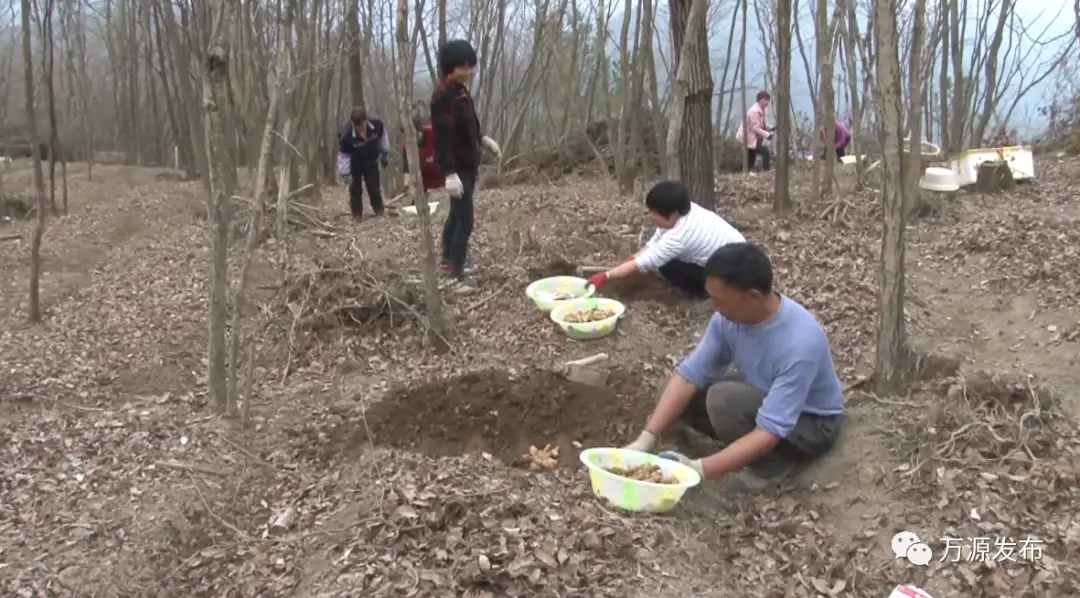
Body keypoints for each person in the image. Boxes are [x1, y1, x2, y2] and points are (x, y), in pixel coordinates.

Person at [621, 243, 845, 492]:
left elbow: (769, 430)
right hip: (766, 392)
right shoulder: (727, 320)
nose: (714, 309)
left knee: (723, 399)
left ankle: (771, 469)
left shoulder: (800, 344)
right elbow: (690, 376)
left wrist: (698, 470)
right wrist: (646, 438)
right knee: (673, 390)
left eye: (720, 301)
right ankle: (731, 449)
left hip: (812, 423)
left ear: (753, 296)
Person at [586, 180, 745, 299]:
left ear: (673, 213)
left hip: (732, 274)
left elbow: (644, 263)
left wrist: (605, 276)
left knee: (666, 265)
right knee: (662, 256)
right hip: (733, 254)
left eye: (655, 213)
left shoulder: (680, 236)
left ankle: (704, 292)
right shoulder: (686, 209)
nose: (652, 217)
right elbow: (653, 243)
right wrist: (631, 258)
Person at [431, 39, 502, 292]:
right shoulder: (443, 97)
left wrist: (482, 139)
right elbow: (442, 139)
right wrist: (449, 173)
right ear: (450, 68)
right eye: (464, 67)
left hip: (468, 164)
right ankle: (456, 277)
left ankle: (448, 261)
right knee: (465, 220)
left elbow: (469, 123)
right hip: (457, 169)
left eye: (472, 66)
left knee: (455, 215)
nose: (470, 71)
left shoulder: (461, 90)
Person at [337, 107, 391, 221]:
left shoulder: (376, 124)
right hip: (354, 165)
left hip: (371, 161)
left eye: (361, 125)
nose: (359, 128)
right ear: (352, 123)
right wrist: (345, 174)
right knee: (355, 191)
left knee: (374, 187)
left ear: (366, 120)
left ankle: (379, 211)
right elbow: (343, 156)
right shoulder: (346, 135)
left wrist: (385, 152)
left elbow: (382, 137)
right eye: (356, 126)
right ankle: (357, 215)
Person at [401, 117, 446, 193]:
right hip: (424, 185)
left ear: (419, 131)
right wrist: (406, 186)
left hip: (443, 183)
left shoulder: (433, 134)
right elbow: (406, 169)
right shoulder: (407, 147)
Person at [736, 91, 774, 171]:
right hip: (748, 136)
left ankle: (746, 172)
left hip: (754, 137)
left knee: (751, 156)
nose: (767, 102)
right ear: (759, 100)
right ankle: (766, 170)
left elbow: (763, 124)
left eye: (768, 100)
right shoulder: (753, 111)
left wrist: (771, 128)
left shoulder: (764, 110)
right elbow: (755, 128)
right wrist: (767, 135)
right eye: (765, 100)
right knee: (764, 152)